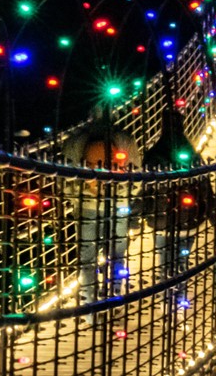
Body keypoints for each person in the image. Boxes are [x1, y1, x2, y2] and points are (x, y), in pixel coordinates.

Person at [62, 121, 142, 321]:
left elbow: (63, 177)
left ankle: (89, 306)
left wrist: (75, 198)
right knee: (117, 252)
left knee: (87, 255)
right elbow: (138, 173)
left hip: (86, 204)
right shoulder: (126, 141)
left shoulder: (73, 142)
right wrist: (128, 196)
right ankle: (115, 298)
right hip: (119, 203)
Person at [140, 107, 216, 308]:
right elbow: (205, 188)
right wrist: (214, 218)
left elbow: (144, 190)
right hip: (188, 219)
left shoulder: (153, 154)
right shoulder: (192, 154)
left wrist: (139, 216)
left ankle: (167, 293)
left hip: (161, 220)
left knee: (164, 260)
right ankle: (179, 296)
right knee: (182, 260)